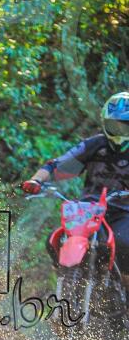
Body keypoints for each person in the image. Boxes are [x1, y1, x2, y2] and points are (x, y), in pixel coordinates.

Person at [22, 91, 129, 281]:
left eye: (126, 125)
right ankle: (68, 278)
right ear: (106, 123)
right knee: (53, 240)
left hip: (122, 212)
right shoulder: (95, 145)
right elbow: (58, 165)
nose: (120, 132)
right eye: (115, 125)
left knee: (124, 242)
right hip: (88, 210)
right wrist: (36, 181)